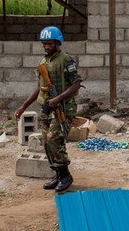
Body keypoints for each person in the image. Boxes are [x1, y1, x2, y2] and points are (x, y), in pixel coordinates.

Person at [13, 26, 82, 193]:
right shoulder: (43, 62)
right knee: (46, 141)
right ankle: (58, 175)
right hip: (46, 107)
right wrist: (23, 107)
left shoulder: (66, 60)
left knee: (55, 139)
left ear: (57, 42)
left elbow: (76, 84)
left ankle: (65, 175)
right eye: (44, 43)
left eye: (49, 43)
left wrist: (58, 98)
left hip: (63, 107)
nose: (46, 46)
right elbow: (39, 87)